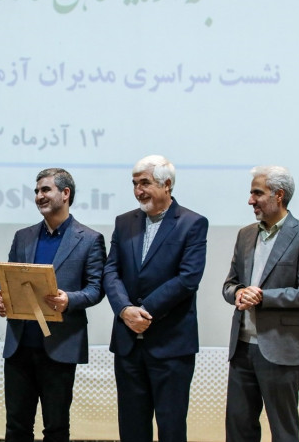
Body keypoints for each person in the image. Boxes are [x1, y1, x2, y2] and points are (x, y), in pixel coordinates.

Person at [0, 168, 105, 442]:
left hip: (60, 347)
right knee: (16, 427)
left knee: (56, 428)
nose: (39, 196)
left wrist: (69, 300)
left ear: (65, 193)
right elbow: (7, 278)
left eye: (45, 190)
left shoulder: (90, 239)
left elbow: (96, 289)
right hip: (20, 346)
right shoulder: (23, 236)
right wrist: (0, 296)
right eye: (36, 191)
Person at [102, 155, 208, 442]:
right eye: (135, 184)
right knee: (132, 429)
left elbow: (188, 279)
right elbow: (111, 271)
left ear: (167, 184)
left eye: (145, 183)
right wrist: (125, 309)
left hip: (171, 345)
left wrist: (144, 311)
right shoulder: (124, 222)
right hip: (128, 344)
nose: (138, 191)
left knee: (171, 428)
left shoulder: (193, 223)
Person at [222, 166, 299, 442]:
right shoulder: (245, 234)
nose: (250, 200)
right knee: (238, 429)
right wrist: (238, 293)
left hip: (281, 349)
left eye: (257, 193)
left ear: (279, 195)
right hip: (242, 349)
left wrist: (264, 297)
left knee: (283, 431)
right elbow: (229, 285)